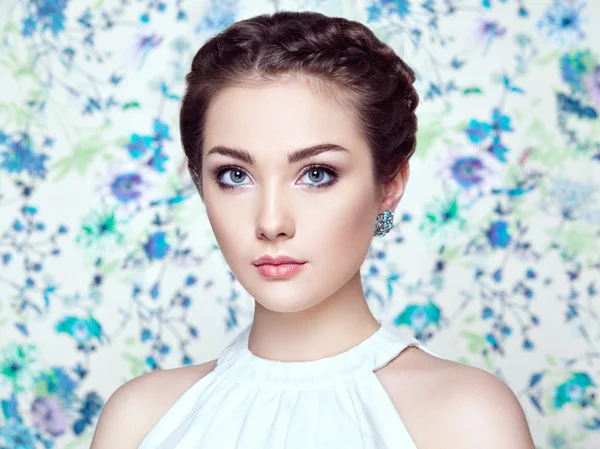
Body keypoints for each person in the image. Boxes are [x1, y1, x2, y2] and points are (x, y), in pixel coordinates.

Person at [90, 10, 536, 449]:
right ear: (200, 183)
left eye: (317, 174)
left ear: (390, 186)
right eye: (234, 175)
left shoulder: (466, 417)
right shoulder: (140, 418)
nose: (271, 223)